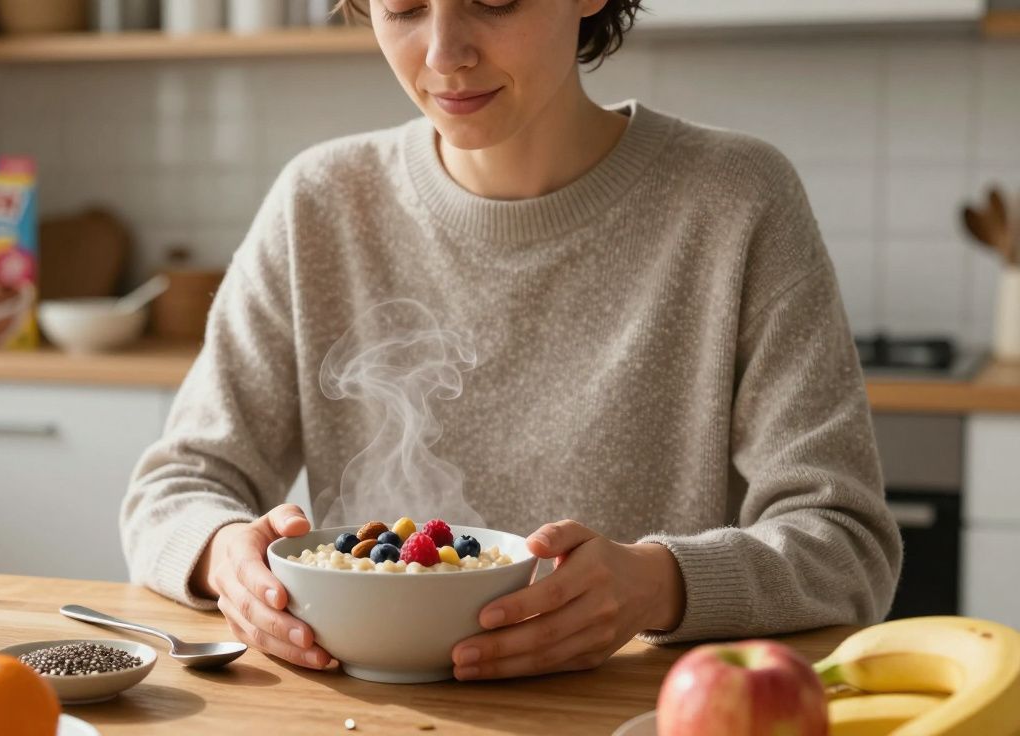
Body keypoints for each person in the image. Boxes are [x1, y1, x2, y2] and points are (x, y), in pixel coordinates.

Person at [120, 0, 902, 681]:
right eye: (402, 6)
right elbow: (174, 490)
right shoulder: (320, 202)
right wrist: (228, 560)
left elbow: (847, 546)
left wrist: (656, 584)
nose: (442, 53)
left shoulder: (736, 199)